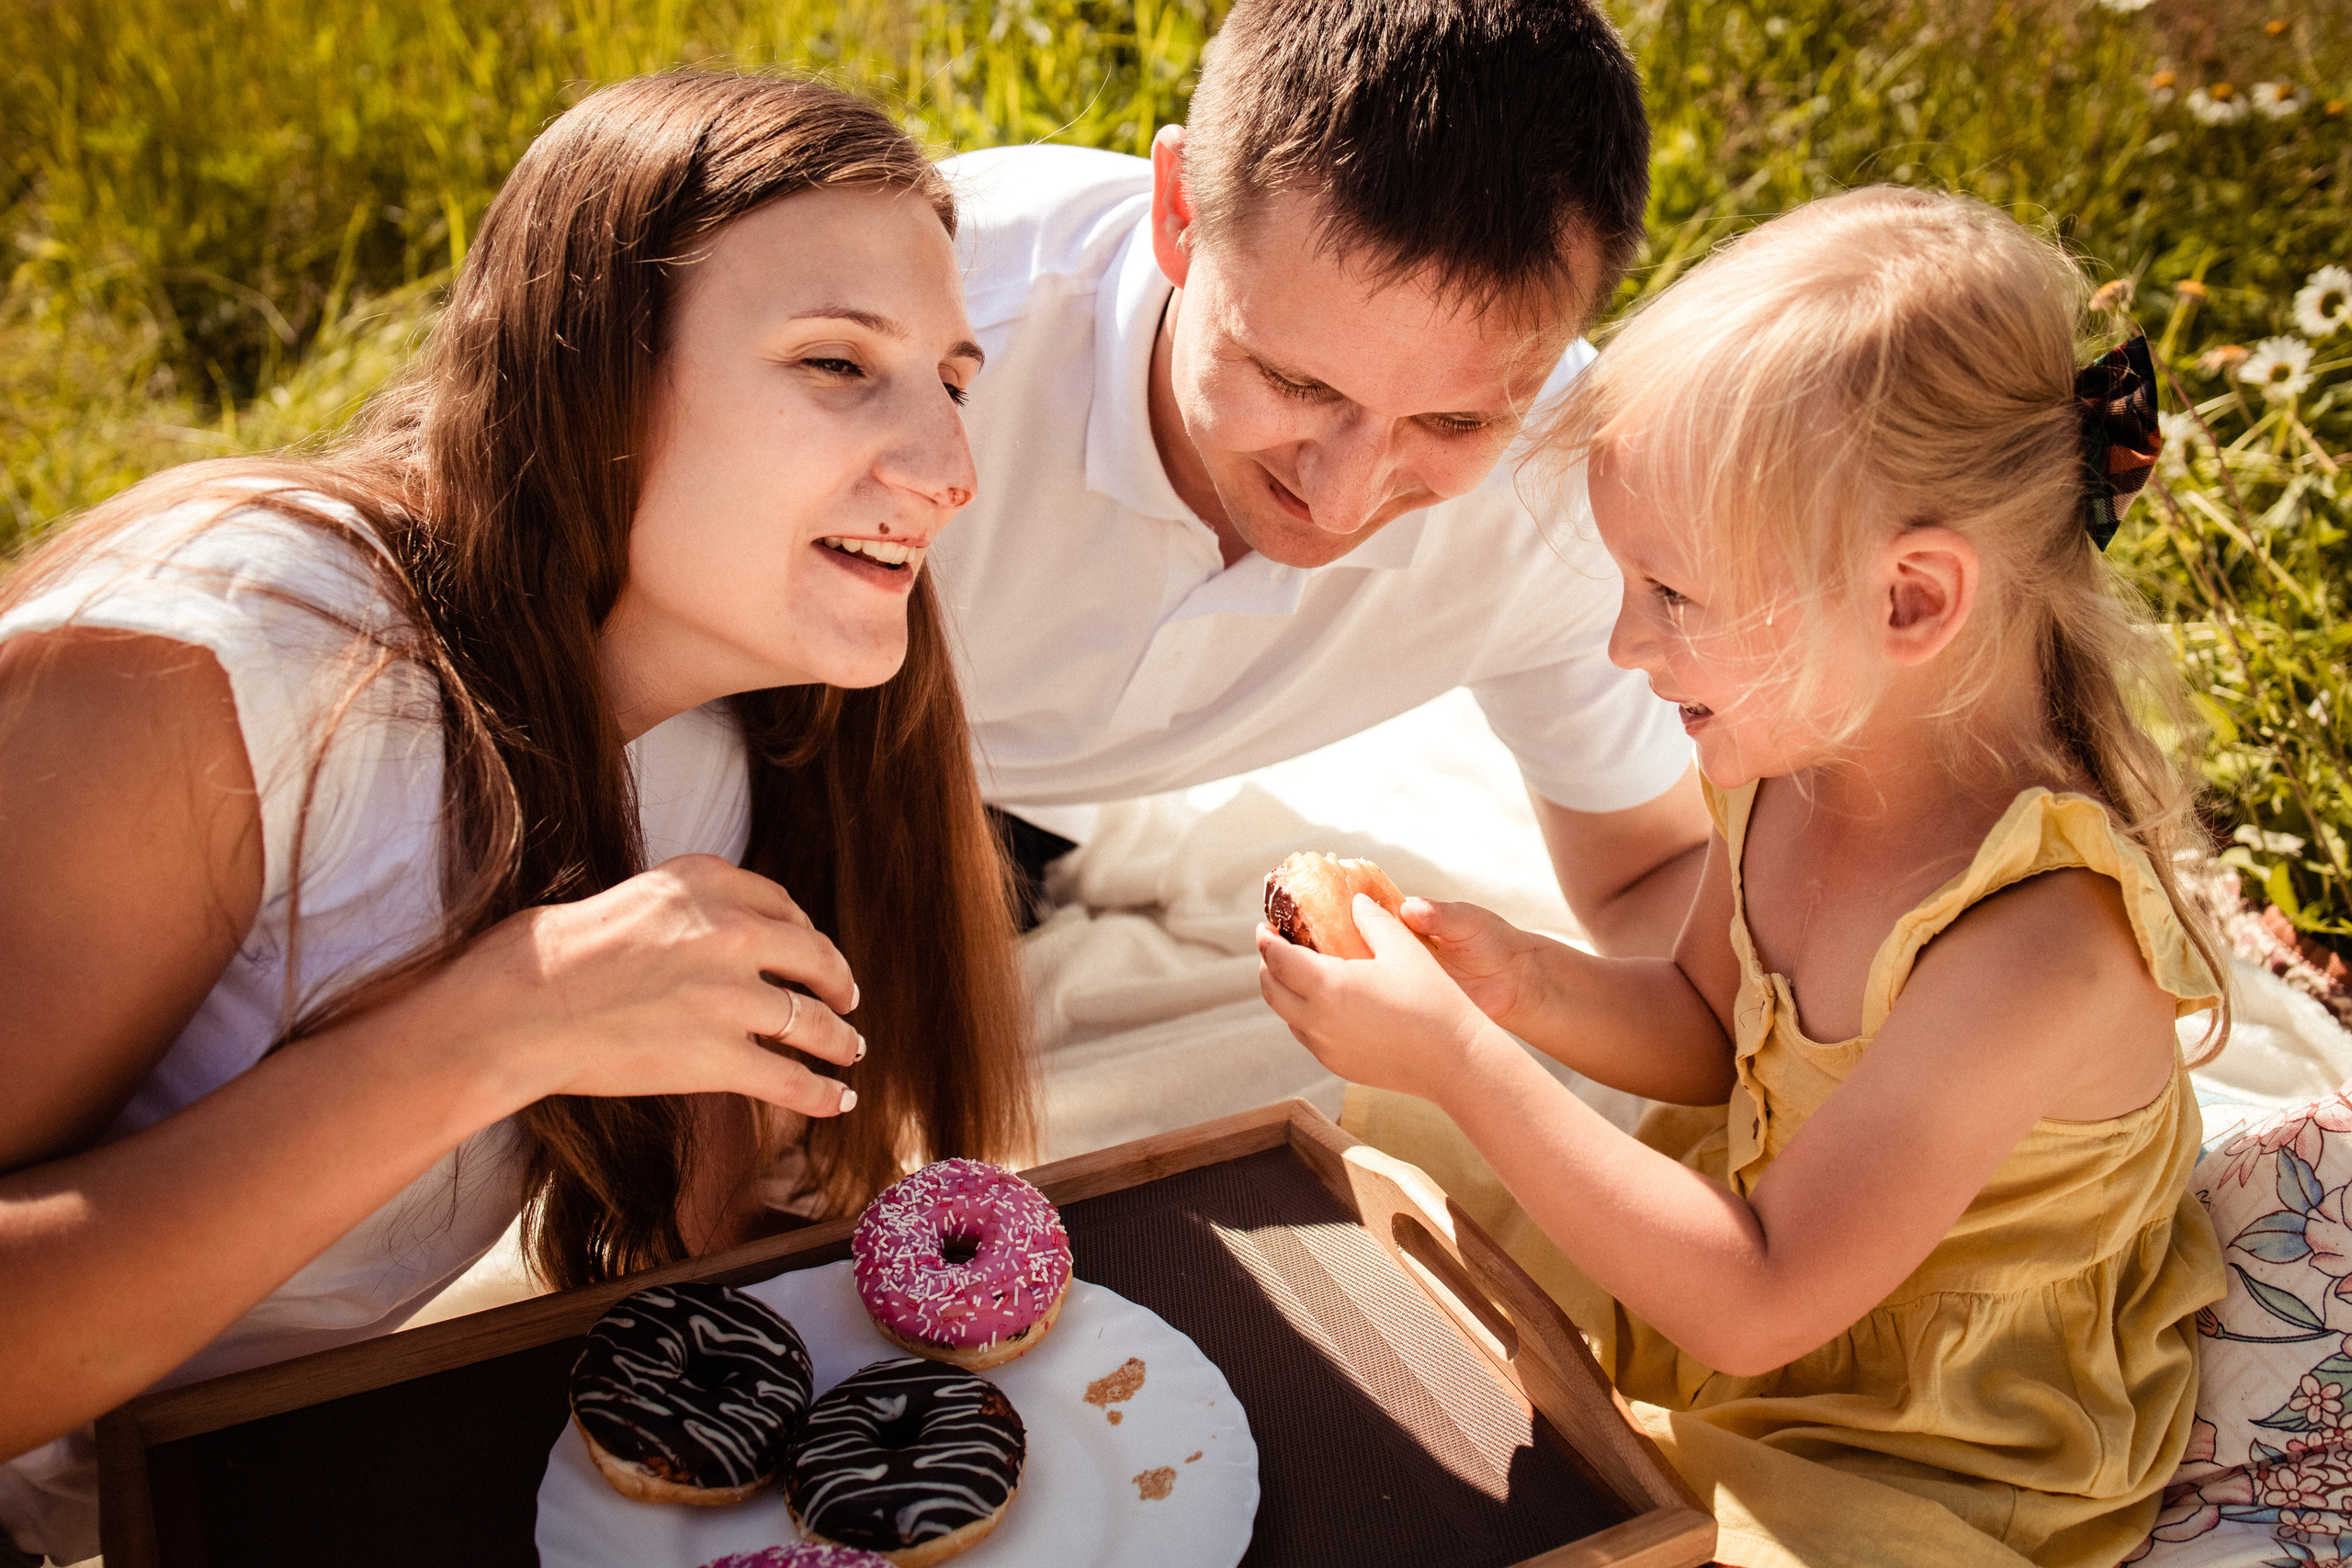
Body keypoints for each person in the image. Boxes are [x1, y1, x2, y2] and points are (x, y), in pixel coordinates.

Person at [0, 73, 1032, 1565]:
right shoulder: (219, 679)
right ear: (590, 370)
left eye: (953, 376)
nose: (948, 471)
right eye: (835, 363)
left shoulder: (735, 746)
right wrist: (496, 1028)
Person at [1259, 186, 2232, 1567]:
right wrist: (1523, 980)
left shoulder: (2035, 946)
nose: (1621, 644)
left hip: (1917, 1430)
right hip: (1761, 1277)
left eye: (1675, 596)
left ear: (1910, 601)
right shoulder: (1789, 755)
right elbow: (1717, 1035)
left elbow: (1762, 1298)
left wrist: (1470, 1062)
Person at [930, 0, 1710, 954]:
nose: (1342, 502)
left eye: (1454, 422)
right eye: (1295, 383)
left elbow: (1650, 873)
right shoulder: (936, 333)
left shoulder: (1571, 492)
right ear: (1178, 213)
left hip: (1013, 822)